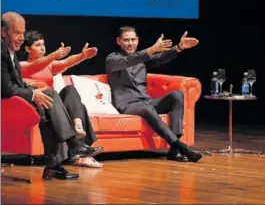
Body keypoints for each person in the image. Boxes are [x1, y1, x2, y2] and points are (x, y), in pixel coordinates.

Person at [1, 11, 103, 180]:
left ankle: (55, 165)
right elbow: (5, 88)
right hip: (11, 103)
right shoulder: (9, 56)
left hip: (29, 100)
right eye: (17, 33)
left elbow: (16, 83)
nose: (20, 37)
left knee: (59, 100)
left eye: (22, 33)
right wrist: (33, 93)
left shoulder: (10, 53)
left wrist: (82, 56)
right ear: (4, 32)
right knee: (50, 98)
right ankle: (74, 145)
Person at [106, 26, 203, 163]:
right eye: (126, 40)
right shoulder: (113, 59)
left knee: (177, 95)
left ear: (138, 40)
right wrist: (151, 49)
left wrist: (179, 47)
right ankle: (182, 147)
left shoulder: (142, 59)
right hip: (128, 105)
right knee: (146, 109)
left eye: (133, 39)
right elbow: (130, 61)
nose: (130, 43)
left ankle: (174, 151)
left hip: (147, 102)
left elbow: (160, 57)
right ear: (118, 41)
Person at [19, 30, 103, 168]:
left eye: (43, 44)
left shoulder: (49, 65)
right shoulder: (22, 66)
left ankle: (77, 124)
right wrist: (54, 55)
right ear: (28, 49)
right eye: (37, 45)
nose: (42, 47)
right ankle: (79, 150)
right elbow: (37, 65)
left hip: (55, 103)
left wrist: (82, 56)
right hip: (42, 103)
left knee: (70, 90)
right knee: (76, 105)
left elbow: (66, 62)